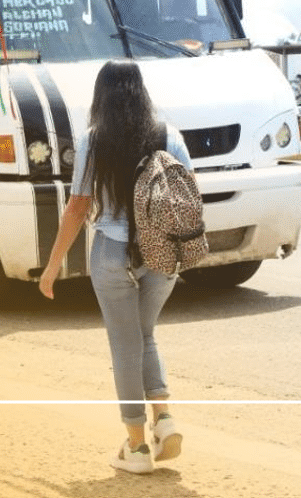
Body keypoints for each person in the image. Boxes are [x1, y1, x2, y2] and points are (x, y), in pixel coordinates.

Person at [38, 60, 192, 475]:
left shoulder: (94, 140)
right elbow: (189, 195)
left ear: (100, 95)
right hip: (162, 255)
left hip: (113, 252)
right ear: (141, 91)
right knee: (144, 336)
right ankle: (164, 419)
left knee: (126, 346)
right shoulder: (169, 135)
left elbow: (78, 206)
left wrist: (52, 266)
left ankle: (138, 448)